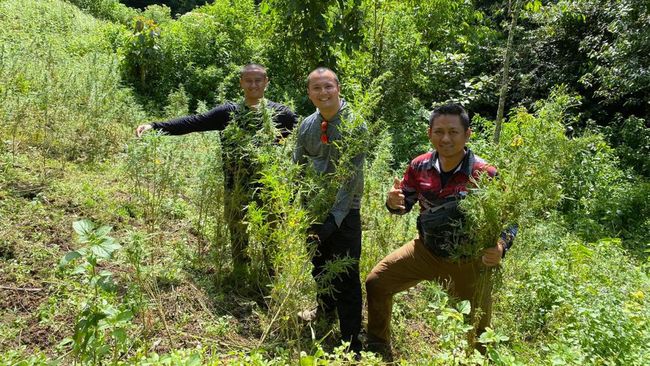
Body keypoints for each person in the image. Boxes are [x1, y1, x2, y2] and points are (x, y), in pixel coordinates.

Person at [364, 103, 517, 360]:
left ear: (467, 134)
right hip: (425, 251)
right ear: (430, 133)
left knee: (479, 327)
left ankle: (477, 359)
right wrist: (394, 203)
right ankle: (378, 347)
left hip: (468, 260)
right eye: (439, 132)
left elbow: (510, 219)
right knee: (377, 282)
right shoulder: (419, 166)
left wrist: (501, 246)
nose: (446, 138)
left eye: (453, 132)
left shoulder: (484, 173)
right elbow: (405, 204)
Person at [135, 63, 297, 270]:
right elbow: (194, 122)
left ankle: (273, 280)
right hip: (235, 186)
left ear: (266, 82)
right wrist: (155, 126)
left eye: (258, 80)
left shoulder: (283, 114)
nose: (253, 84)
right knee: (238, 235)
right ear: (241, 83)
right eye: (248, 80)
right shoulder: (227, 112)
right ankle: (240, 275)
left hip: (269, 188)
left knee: (272, 238)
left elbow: (301, 143)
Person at [293, 67, 366, 354]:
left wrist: (332, 222)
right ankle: (324, 312)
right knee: (320, 267)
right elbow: (297, 168)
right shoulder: (307, 125)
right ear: (309, 93)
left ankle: (351, 341)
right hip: (314, 208)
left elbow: (351, 180)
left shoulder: (355, 125)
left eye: (328, 87)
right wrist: (301, 209)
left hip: (345, 211)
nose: (323, 93)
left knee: (346, 274)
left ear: (338, 88)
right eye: (316, 88)